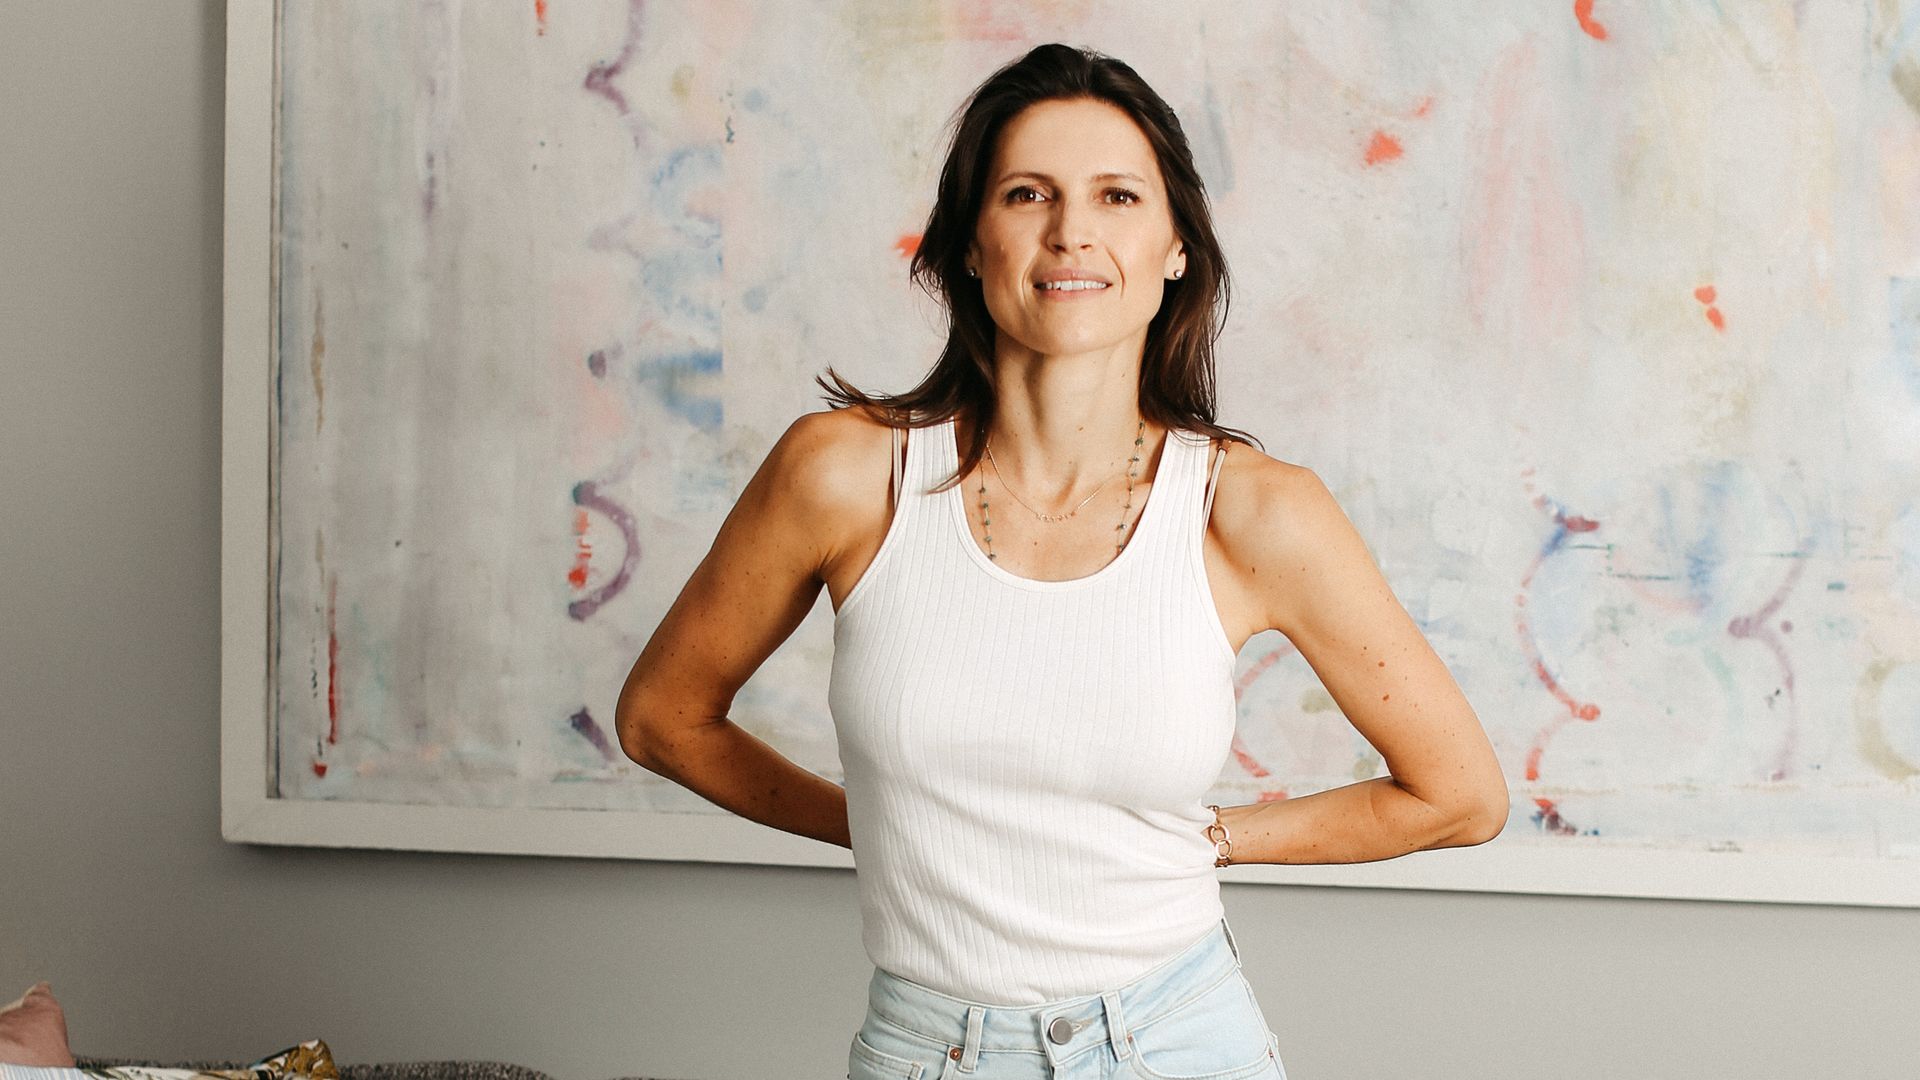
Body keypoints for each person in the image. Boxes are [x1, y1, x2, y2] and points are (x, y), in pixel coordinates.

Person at [615, 42, 1508, 1080]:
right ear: (966, 242)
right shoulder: (845, 475)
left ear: (1177, 247)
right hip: (926, 1050)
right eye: (1027, 193)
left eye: (1118, 196)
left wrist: (1210, 839)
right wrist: (896, 831)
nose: (1071, 231)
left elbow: (1460, 797)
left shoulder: (1255, 513)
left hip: (1179, 1041)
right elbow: (661, 720)